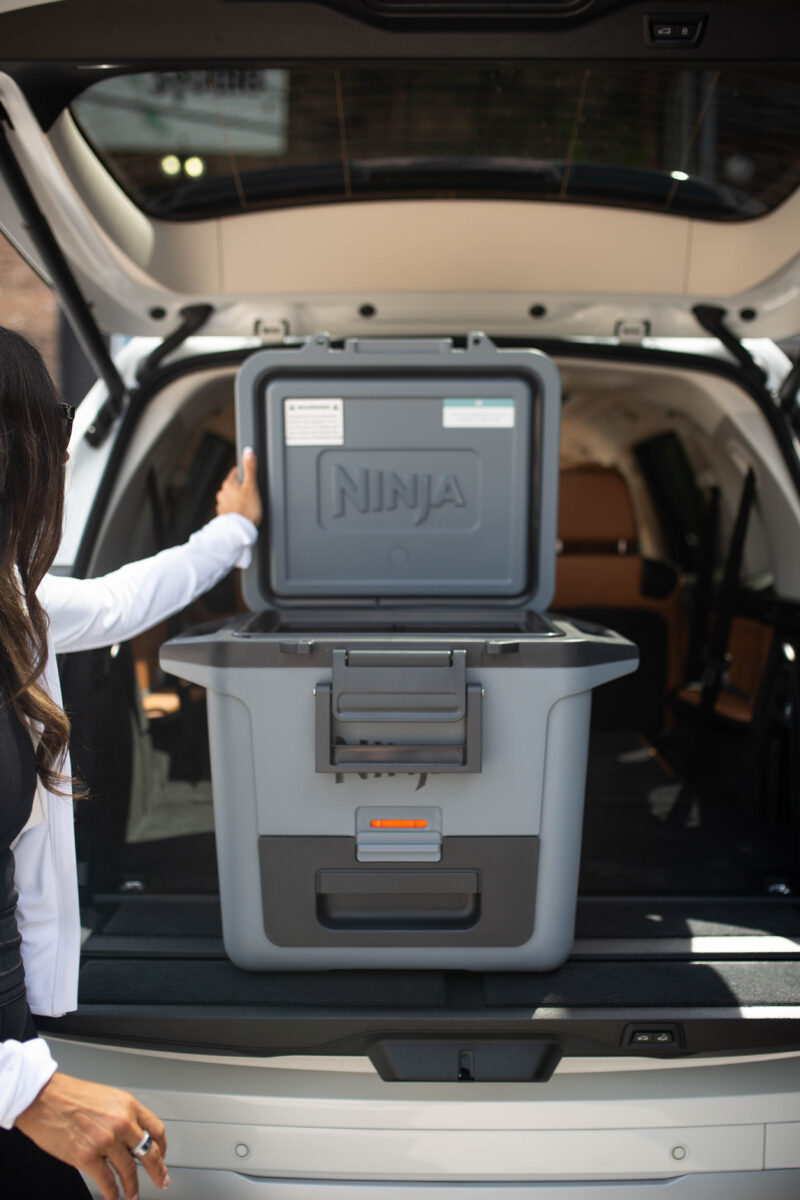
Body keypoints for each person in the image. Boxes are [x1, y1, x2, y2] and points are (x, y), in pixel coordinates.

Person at [0, 326, 262, 1198]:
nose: (60, 454)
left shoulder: (17, 605)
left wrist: (232, 529)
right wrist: (23, 1089)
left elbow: (121, 600)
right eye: (53, 430)